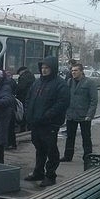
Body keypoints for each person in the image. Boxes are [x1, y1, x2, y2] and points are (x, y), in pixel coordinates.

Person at [24, 56, 70, 187]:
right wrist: (28, 114)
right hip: (36, 123)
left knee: (51, 150)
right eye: (42, 68)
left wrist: (47, 116)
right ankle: (38, 172)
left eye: (47, 68)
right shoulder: (38, 82)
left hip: (49, 124)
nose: (44, 70)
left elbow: (62, 103)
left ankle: (50, 175)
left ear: (53, 69)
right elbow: (29, 98)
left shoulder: (60, 84)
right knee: (39, 148)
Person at [60, 63, 98, 162]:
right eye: (72, 71)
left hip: (84, 115)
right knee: (70, 137)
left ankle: (87, 156)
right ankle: (68, 156)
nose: (73, 72)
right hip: (71, 114)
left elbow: (94, 100)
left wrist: (90, 115)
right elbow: (65, 97)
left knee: (86, 137)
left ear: (81, 71)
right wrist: (65, 111)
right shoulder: (69, 82)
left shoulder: (89, 82)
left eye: (76, 70)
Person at [15, 66, 36, 132]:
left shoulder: (23, 77)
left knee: (23, 113)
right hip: (31, 97)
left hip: (23, 97)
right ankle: (29, 127)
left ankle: (22, 128)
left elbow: (20, 88)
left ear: (21, 71)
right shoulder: (32, 76)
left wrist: (16, 93)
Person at [4, 71, 18, 149]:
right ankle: (13, 144)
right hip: (12, 108)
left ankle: (7, 144)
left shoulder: (5, 86)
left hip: (8, 110)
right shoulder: (11, 82)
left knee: (7, 128)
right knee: (11, 128)